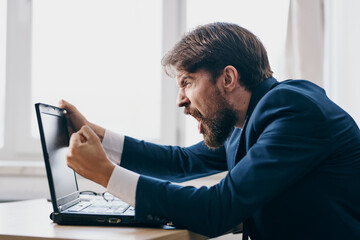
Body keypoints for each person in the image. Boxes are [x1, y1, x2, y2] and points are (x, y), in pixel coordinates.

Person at [60, 22, 360, 239]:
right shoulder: (248, 120)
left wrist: (104, 174)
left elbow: (216, 210)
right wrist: (97, 136)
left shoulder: (293, 112)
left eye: (187, 82)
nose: (180, 100)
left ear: (228, 78)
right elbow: (182, 162)